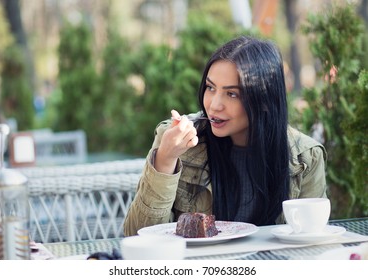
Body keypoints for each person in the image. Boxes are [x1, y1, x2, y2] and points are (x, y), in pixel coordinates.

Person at [123, 36, 327, 236]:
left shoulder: (306, 158)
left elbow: (311, 238)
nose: (214, 105)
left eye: (232, 94)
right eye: (210, 88)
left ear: (264, 100)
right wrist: (166, 159)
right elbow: (137, 234)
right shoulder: (176, 139)